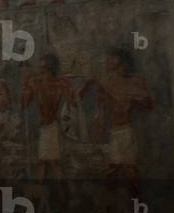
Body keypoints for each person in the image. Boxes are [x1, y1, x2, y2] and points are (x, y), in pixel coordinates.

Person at [82, 47, 153, 192]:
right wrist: (99, 127)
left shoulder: (134, 81)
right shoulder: (106, 81)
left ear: (122, 62)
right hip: (115, 131)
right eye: (108, 59)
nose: (108, 61)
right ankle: (110, 205)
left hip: (126, 131)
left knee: (129, 168)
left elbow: (148, 104)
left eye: (112, 59)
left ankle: (134, 204)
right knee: (113, 169)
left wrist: (132, 98)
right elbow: (99, 108)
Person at [21, 53, 79, 180]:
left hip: (54, 128)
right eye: (40, 67)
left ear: (49, 68)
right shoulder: (35, 82)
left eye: (43, 67)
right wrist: (25, 86)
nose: (40, 70)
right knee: (43, 163)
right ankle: (41, 193)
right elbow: (24, 103)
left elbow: (73, 103)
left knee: (53, 163)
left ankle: (64, 197)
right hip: (44, 128)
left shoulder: (59, 83)